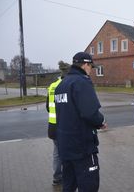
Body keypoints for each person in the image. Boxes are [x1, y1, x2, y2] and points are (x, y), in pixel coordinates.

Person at [54, 52, 107, 192]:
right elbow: (90, 112)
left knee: (69, 186)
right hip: (82, 146)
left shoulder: (61, 84)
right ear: (85, 65)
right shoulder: (82, 82)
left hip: (65, 146)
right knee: (89, 185)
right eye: (91, 67)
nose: (91, 71)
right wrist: (101, 121)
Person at [46, 61, 70, 186]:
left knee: (56, 153)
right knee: (66, 152)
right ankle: (67, 177)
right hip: (63, 126)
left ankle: (56, 177)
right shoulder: (66, 86)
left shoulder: (52, 86)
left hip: (52, 126)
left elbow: (48, 107)